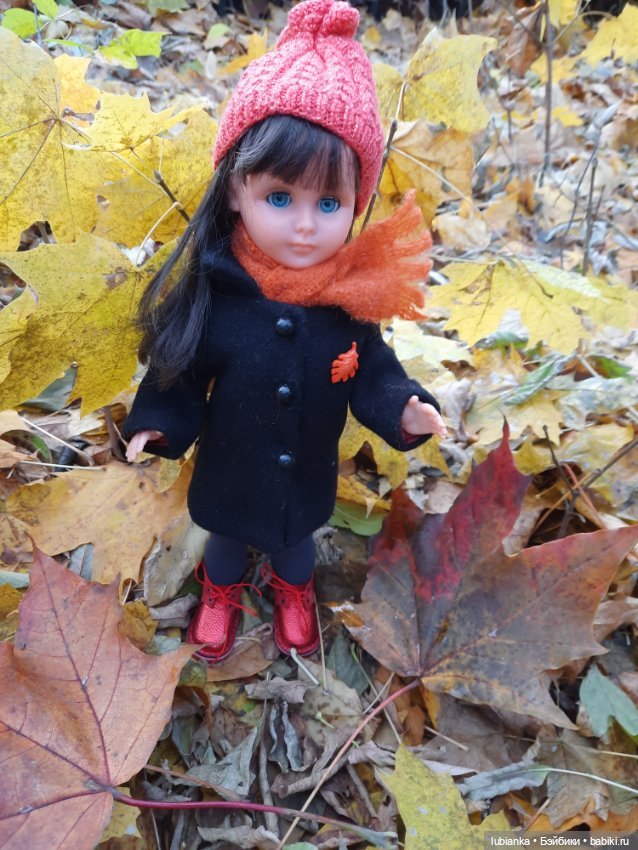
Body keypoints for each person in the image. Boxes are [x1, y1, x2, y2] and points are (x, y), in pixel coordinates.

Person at [122, 0, 446, 664]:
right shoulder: (217, 290)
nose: (304, 225)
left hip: (307, 470)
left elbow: (373, 368)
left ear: (355, 205)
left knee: (297, 543)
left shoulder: (349, 298)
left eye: (328, 204)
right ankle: (221, 590)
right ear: (235, 190)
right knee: (224, 538)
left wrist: (403, 408)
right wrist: (157, 423)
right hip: (230, 464)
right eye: (279, 198)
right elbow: (180, 369)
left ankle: (293, 589)